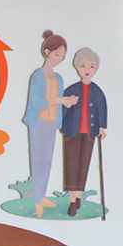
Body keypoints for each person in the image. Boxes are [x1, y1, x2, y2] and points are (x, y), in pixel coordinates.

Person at [21, 30, 78, 215]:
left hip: (52, 122)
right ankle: (37, 199)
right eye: (57, 54)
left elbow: (57, 101)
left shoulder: (58, 78)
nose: (59, 59)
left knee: (47, 161)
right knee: (38, 160)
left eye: (62, 56)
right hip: (38, 122)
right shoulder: (38, 76)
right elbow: (37, 102)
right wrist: (61, 100)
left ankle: (41, 195)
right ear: (47, 52)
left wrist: (66, 102)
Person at [60, 47, 108, 217]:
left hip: (90, 132)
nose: (87, 70)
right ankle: (73, 199)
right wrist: (59, 120)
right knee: (71, 164)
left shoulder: (97, 91)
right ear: (77, 67)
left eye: (92, 66)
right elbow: (62, 109)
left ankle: (79, 195)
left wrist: (102, 127)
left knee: (83, 164)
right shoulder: (71, 90)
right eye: (83, 66)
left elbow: (102, 108)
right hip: (71, 131)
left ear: (96, 69)